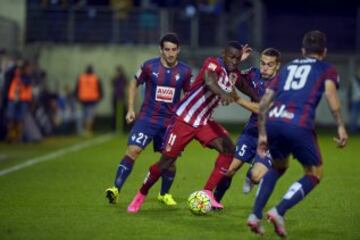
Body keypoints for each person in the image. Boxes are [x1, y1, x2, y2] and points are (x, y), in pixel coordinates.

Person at [127, 41, 251, 213]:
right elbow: (209, 80)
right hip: (183, 120)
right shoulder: (213, 62)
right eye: (231, 57)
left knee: (229, 149)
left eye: (237, 59)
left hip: (204, 122)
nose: (234, 61)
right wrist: (223, 94)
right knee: (165, 163)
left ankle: (207, 192)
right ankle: (141, 194)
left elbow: (250, 92)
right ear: (223, 54)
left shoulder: (233, 74)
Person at [247, 30, 348, 237]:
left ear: (303, 51)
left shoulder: (288, 67)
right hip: (298, 123)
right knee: (314, 172)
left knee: (278, 166)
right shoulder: (325, 68)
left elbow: (264, 102)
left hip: (274, 120)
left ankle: (255, 216)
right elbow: (330, 94)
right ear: (324, 51)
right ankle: (279, 211)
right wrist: (340, 126)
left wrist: (264, 133)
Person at [105, 33, 192, 207]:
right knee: (133, 150)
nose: (170, 53)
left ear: (178, 50)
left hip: (170, 122)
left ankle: (164, 194)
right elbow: (133, 83)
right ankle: (115, 189)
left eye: (174, 50)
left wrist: (186, 116)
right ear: (161, 50)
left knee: (169, 161)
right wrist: (130, 108)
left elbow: (188, 94)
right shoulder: (148, 66)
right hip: (147, 119)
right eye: (167, 49)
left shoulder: (185, 71)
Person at [214, 48, 281, 202]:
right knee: (228, 170)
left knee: (256, 177)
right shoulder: (254, 74)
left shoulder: (281, 85)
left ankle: (251, 176)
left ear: (277, 66)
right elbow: (228, 73)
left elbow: (261, 109)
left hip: (271, 138)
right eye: (263, 63)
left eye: (270, 65)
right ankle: (214, 200)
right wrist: (237, 60)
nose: (265, 67)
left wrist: (237, 99)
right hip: (251, 132)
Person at [6, 61, 33, 142]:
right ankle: (11, 135)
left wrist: (20, 77)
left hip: (23, 100)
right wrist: (15, 66)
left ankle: (19, 137)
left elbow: (27, 83)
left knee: (20, 119)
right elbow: (9, 73)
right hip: (13, 99)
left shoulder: (26, 77)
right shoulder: (13, 76)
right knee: (10, 118)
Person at [75, 64, 103, 135]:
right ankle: (88, 131)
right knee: (90, 115)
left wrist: (77, 97)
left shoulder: (81, 77)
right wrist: (100, 97)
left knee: (84, 115)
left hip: (83, 99)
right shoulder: (96, 77)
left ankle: (83, 130)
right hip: (92, 99)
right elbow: (100, 88)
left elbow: (77, 88)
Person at [111, 65, 128, 132]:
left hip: (122, 96)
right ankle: (116, 128)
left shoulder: (123, 78)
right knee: (115, 113)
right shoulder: (115, 78)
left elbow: (126, 85)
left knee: (123, 113)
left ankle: (123, 128)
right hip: (116, 96)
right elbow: (112, 83)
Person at [348, 66, 360, 134]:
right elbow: (350, 91)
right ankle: (352, 130)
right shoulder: (353, 80)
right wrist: (349, 100)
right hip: (354, 100)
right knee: (353, 116)